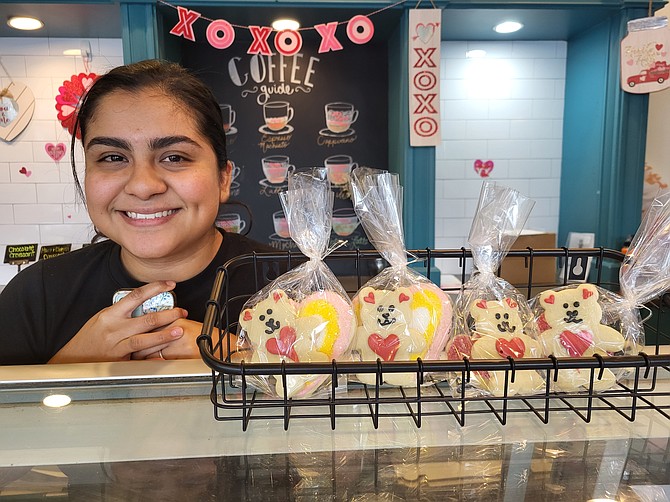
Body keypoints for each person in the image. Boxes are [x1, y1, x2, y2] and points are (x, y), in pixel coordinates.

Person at [0, 60, 271, 365]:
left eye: (175, 157)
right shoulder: (36, 295)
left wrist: (247, 361)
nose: (142, 186)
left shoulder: (294, 286)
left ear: (223, 178)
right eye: (113, 157)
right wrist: (68, 366)